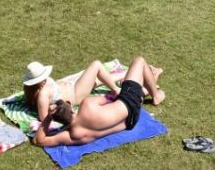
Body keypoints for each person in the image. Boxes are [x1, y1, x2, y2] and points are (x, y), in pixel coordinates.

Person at [33, 56, 165, 147]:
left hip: (129, 122)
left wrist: (48, 118)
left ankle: (153, 78)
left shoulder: (74, 135)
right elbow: (112, 96)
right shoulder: (87, 105)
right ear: (71, 108)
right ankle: (156, 95)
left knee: (134, 90)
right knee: (139, 61)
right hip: (129, 105)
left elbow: (39, 141)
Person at [22, 60, 122, 122]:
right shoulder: (42, 96)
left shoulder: (33, 89)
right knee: (96, 65)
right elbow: (44, 118)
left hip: (71, 85)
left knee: (98, 80)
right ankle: (116, 90)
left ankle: (124, 75)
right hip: (76, 93)